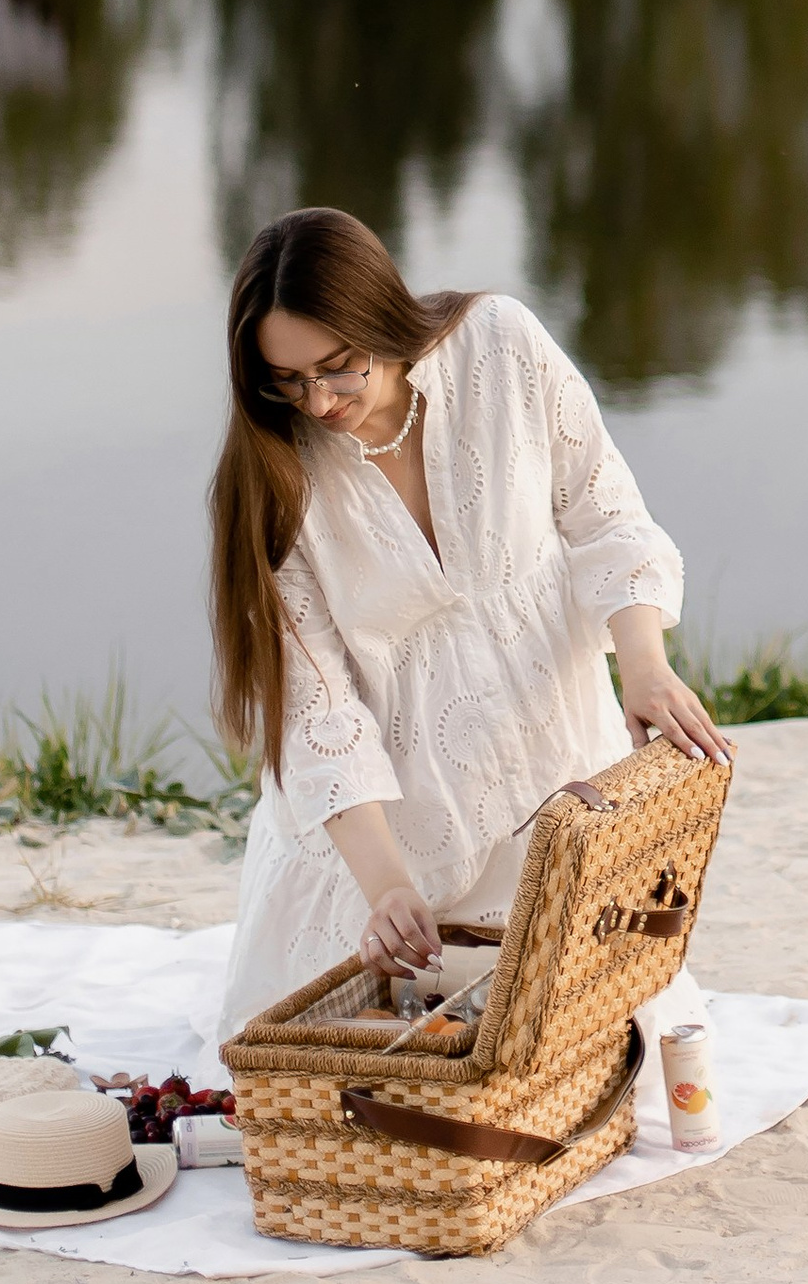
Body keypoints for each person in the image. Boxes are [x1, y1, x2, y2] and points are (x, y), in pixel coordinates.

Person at [208, 205, 730, 1041]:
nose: (319, 398)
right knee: (373, 1057)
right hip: (389, 831)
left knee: (585, 1034)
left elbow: (605, 514)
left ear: (376, 314)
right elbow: (317, 709)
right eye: (288, 380)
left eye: (337, 367)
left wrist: (644, 662)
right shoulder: (277, 479)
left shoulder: (499, 346)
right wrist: (384, 886)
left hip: (551, 771)